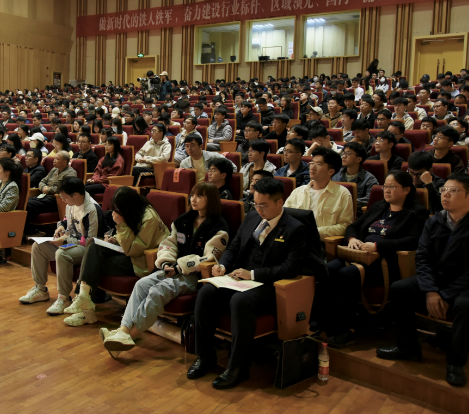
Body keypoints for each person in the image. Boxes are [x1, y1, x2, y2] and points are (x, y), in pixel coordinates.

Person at [376, 173, 469, 387]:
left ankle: (455, 362)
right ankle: (408, 347)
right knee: (400, 288)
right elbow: (422, 258)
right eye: (443, 190)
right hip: (437, 280)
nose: (446, 195)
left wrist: (445, 294)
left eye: (453, 191)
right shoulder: (435, 221)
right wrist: (431, 291)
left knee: (466, 303)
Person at [189, 178, 313, 390]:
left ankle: (238, 366)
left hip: (269, 286)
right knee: (207, 290)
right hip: (239, 278)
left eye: (264, 205)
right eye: (256, 204)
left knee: (240, 301)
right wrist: (223, 266)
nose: (259, 209)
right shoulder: (252, 217)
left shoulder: (295, 229)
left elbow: (290, 268)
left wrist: (253, 274)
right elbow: (233, 248)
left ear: (279, 202)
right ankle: (205, 355)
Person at [100, 182, 229, 353]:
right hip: (171, 268)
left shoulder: (219, 227)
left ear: (210, 199)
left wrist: (179, 266)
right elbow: (168, 244)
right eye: (192, 195)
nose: (193, 199)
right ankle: (124, 330)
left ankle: (131, 333)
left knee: (157, 291)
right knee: (141, 284)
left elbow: (209, 257)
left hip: (194, 276)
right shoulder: (184, 220)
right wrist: (167, 262)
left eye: (199, 196)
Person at [325, 170, 429, 347]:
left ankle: (348, 328)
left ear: (406, 190)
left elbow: (414, 240)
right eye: (385, 186)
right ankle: (328, 320)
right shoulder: (378, 207)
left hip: (385, 262)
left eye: (392, 187)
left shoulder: (417, 213)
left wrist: (379, 246)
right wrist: (352, 239)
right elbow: (353, 226)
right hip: (358, 254)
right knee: (328, 269)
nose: (386, 190)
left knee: (348, 273)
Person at [61, 186, 170, 327]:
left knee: (94, 263)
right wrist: (113, 238)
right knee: (94, 246)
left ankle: (86, 310)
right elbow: (129, 239)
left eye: (119, 209)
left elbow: (133, 249)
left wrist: (121, 224)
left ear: (128, 206)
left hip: (143, 261)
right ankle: (83, 297)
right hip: (130, 254)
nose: (117, 212)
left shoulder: (149, 218)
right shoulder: (134, 211)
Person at [21, 177, 104, 313]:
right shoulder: (71, 204)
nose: (63, 200)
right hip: (72, 242)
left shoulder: (92, 210)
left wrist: (65, 241)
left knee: (62, 253)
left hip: (88, 249)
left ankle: (64, 298)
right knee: (38, 247)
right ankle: (40, 289)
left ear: (75, 195)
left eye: (65, 197)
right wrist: (61, 226)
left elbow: (90, 241)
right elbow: (67, 221)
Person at [284, 148, 354, 240]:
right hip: (294, 240)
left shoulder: (342, 194)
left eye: (319, 164)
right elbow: (284, 216)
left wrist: (313, 232)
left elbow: (345, 226)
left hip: (319, 243)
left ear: (331, 171)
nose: (312, 167)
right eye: (312, 163)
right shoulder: (298, 191)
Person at [25, 151, 77, 230]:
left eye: (57, 159)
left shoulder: (71, 172)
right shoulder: (54, 169)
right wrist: (44, 188)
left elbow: (64, 188)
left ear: (64, 162)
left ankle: (27, 230)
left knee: (28, 205)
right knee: (23, 202)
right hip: (44, 196)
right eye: (54, 158)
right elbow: (42, 181)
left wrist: (49, 190)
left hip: (55, 200)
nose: (54, 160)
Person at [332, 141, 379, 215]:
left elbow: (369, 200)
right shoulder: (334, 174)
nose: (343, 156)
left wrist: (344, 202)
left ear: (358, 159)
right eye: (343, 153)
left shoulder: (369, 179)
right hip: (333, 212)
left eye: (348, 154)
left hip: (356, 214)